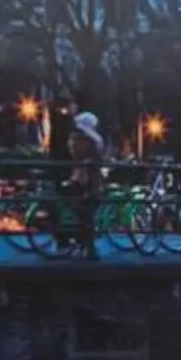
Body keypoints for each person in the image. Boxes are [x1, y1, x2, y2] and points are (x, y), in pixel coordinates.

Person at [64, 109, 109, 256]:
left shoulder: (74, 137)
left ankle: (82, 243)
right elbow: (93, 157)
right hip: (88, 178)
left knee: (83, 211)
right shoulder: (86, 139)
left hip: (79, 176)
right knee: (88, 211)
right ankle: (88, 247)